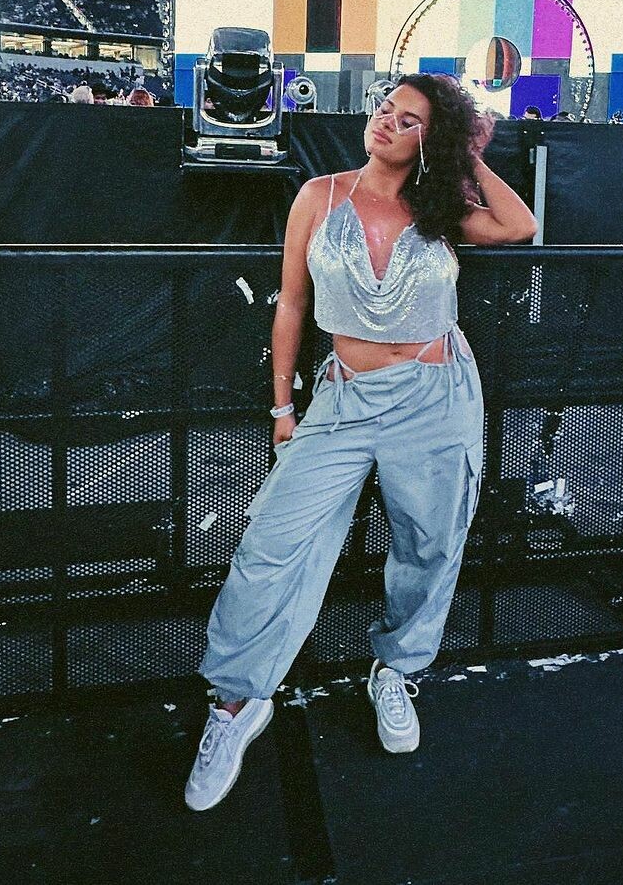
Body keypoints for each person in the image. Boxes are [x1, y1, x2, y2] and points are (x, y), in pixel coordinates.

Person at [185, 73, 537, 812]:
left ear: (431, 141)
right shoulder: (320, 196)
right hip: (344, 396)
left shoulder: (442, 209)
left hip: (437, 396)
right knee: (272, 542)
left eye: (409, 121)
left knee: (430, 543)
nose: (386, 122)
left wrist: (466, 155)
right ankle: (237, 702)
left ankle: (396, 671)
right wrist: (283, 405)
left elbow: (518, 226)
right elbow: (292, 304)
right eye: (386, 109)